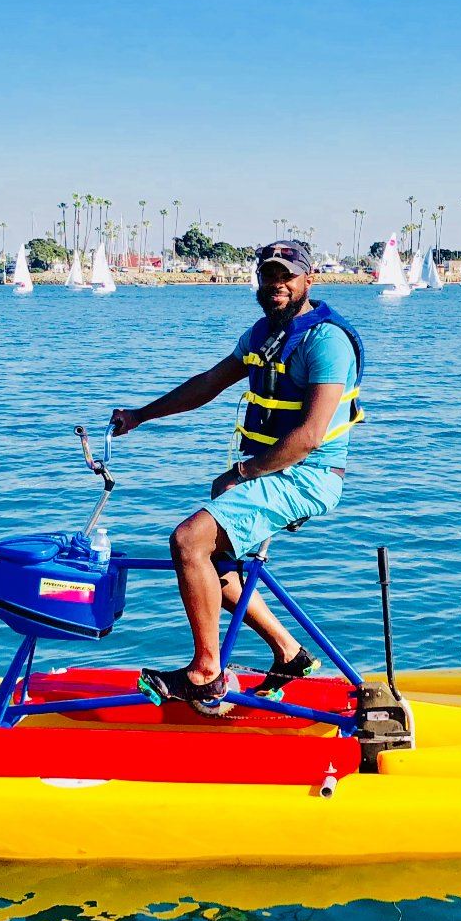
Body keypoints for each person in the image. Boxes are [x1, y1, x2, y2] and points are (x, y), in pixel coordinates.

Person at [109, 240, 364, 711]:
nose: (277, 285)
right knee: (212, 562)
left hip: (309, 475)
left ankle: (206, 675)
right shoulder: (262, 335)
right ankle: (290, 654)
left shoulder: (326, 341)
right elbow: (208, 383)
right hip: (271, 472)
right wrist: (141, 415)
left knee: (189, 540)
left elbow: (309, 436)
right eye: (269, 276)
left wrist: (242, 472)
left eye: (287, 275)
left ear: (308, 280)